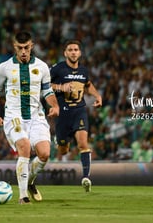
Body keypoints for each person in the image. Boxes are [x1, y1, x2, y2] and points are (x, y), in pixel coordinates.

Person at [0, 31, 59, 204]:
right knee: (25, 147)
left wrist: (55, 105)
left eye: (26, 47)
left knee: (44, 154)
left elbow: (47, 90)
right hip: (14, 116)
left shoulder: (42, 67)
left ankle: (30, 182)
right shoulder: (4, 67)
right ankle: (23, 197)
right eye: (20, 48)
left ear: (31, 46)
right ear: (14, 47)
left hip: (37, 116)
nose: (23, 51)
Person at [50, 40, 102, 192]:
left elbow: (88, 84)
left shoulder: (84, 71)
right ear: (65, 53)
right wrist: (61, 87)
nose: (73, 52)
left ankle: (86, 177)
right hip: (63, 113)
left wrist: (97, 96)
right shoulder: (57, 69)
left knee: (83, 144)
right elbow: (43, 84)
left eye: (76, 49)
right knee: (63, 150)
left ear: (79, 53)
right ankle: (59, 140)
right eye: (70, 50)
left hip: (79, 111)